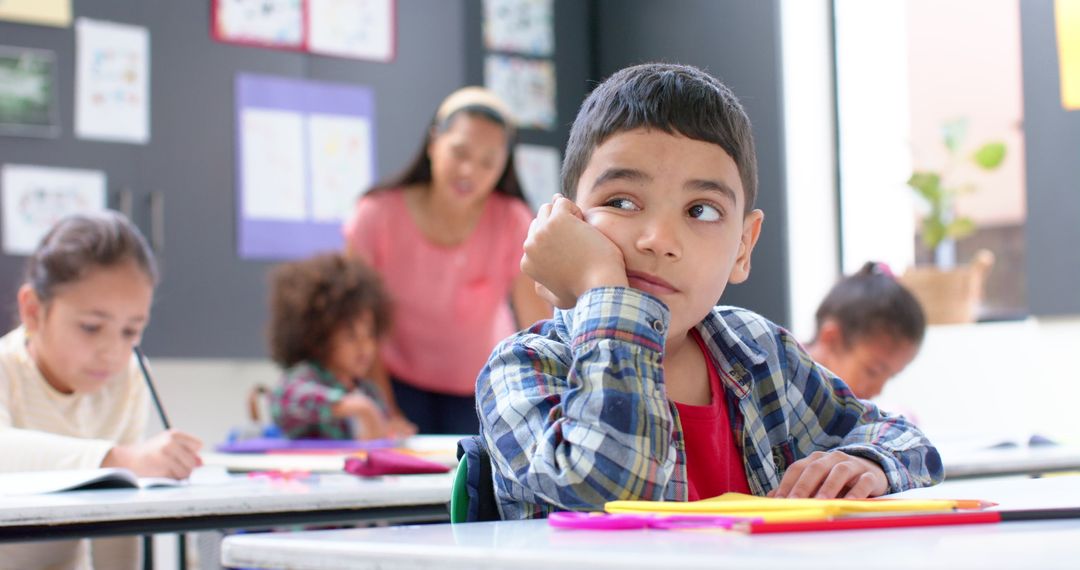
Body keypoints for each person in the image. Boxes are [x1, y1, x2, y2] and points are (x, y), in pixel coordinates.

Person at [476, 63, 943, 520]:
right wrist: (603, 289)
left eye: (701, 211)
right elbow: (613, 493)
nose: (658, 238)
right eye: (621, 202)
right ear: (567, 221)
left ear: (744, 245)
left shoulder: (760, 354)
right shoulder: (524, 366)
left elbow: (907, 440)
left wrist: (866, 463)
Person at [0, 210, 203, 569]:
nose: (113, 352)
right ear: (33, 311)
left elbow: (118, 523)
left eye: (131, 331)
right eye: (91, 327)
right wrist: (121, 461)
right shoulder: (6, 370)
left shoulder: (129, 377)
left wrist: (130, 472)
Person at [343, 86, 549, 435]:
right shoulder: (376, 215)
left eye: (488, 161)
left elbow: (536, 325)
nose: (470, 170)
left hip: (482, 386)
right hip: (393, 379)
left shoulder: (514, 221)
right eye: (459, 152)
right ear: (433, 142)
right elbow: (360, 323)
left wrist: (545, 407)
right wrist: (385, 410)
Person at [267, 252, 405, 440]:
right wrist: (353, 405)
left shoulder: (368, 390)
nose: (364, 347)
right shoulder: (306, 377)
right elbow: (284, 399)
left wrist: (392, 428)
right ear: (319, 338)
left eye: (370, 336)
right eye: (351, 337)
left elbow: (380, 430)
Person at [805, 262, 926, 399]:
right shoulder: (782, 384)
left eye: (890, 377)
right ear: (832, 338)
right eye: (872, 372)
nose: (878, 390)